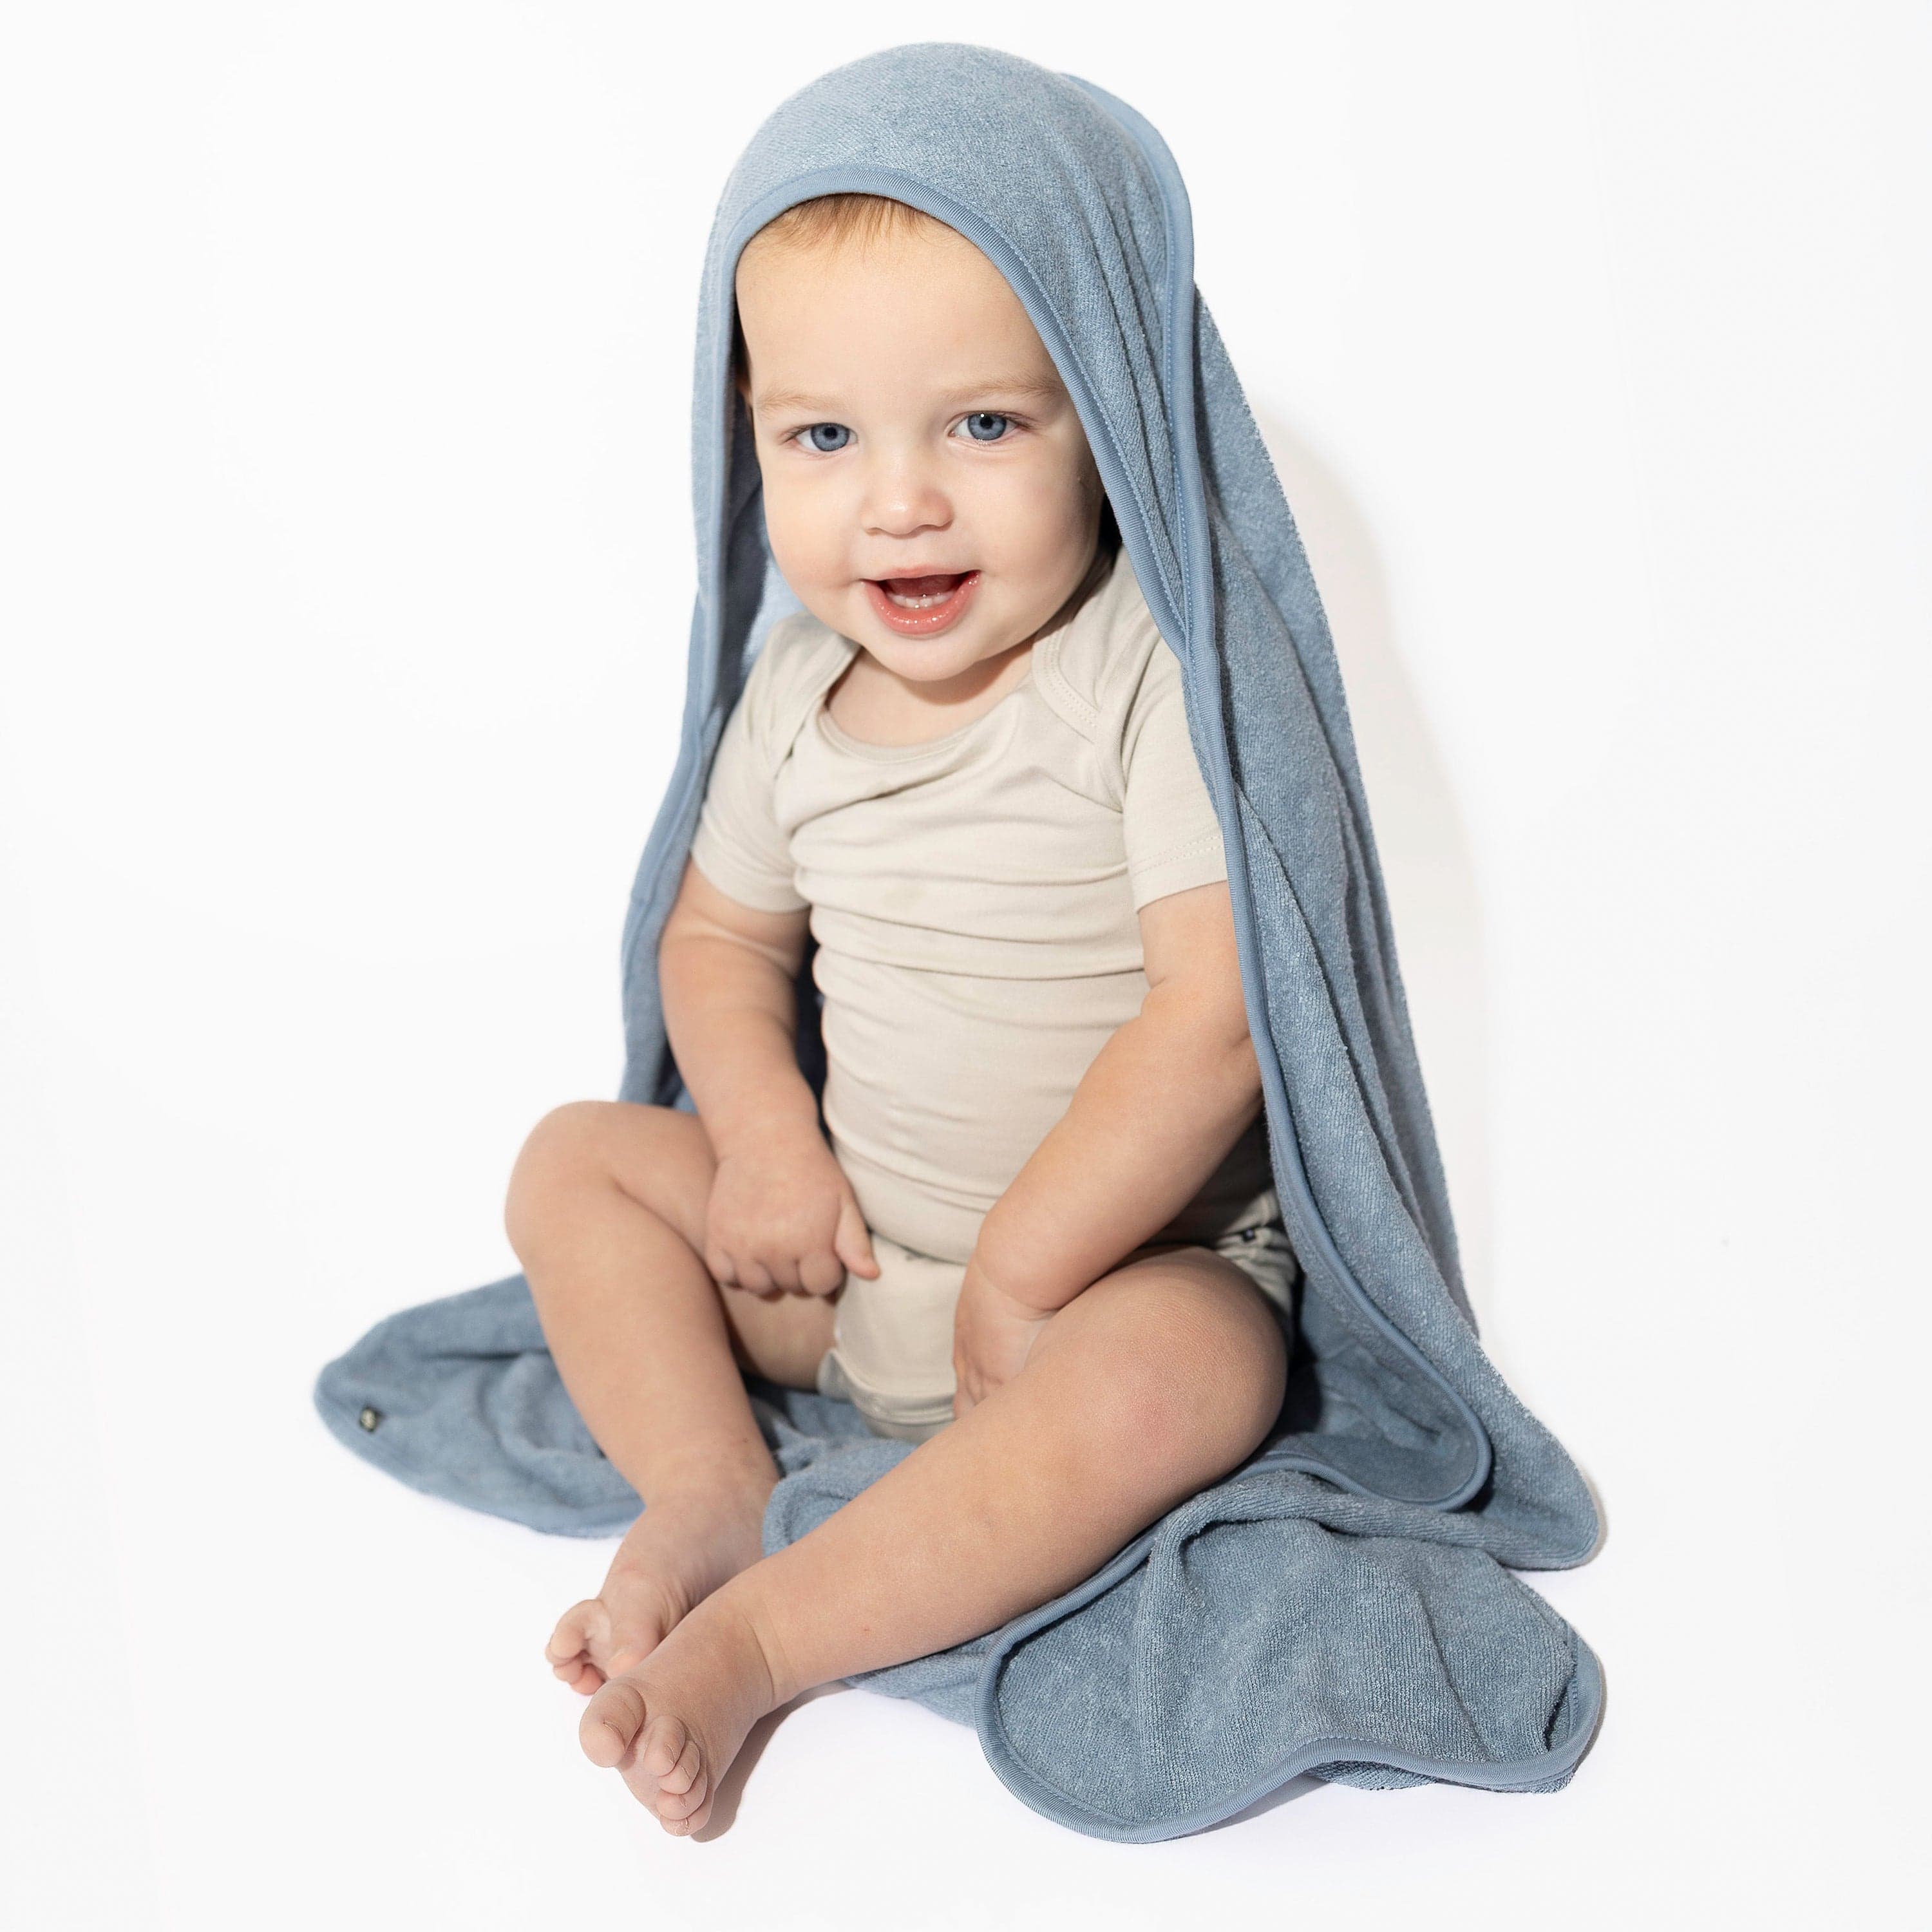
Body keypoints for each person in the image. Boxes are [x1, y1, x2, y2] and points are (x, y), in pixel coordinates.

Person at [502, 188, 1302, 1835]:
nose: (903, 502)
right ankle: (715, 1487)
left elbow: (1216, 1016)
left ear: (1111, 417)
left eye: (988, 422)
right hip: (862, 1263)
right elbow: (715, 945)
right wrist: (768, 1145)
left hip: (1111, 1282)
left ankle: (768, 1641)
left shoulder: (1142, 673)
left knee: (1192, 1377)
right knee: (573, 1162)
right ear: (751, 441)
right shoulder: (795, 691)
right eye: (823, 437)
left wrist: (1026, 1271)